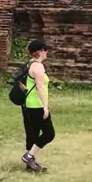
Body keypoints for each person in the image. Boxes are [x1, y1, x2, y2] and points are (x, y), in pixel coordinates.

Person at [21, 39, 55, 173]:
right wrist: (45, 106)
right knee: (49, 133)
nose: (47, 53)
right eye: (45, 50)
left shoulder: (29, 64)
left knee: (33, 134)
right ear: (40, 51)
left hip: (29, 104)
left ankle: (30, 164)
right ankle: (29, 156)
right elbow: (40, 86)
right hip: (36, 105)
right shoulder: (38, 67)